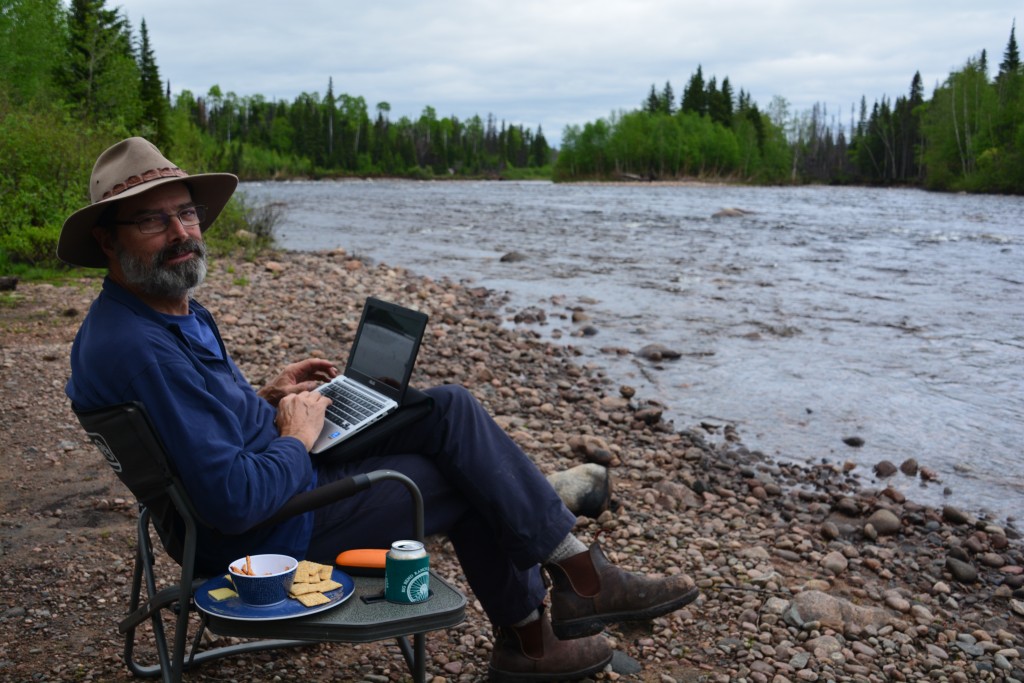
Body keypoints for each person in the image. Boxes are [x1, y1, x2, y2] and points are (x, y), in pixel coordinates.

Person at [60, 137, 698, 682]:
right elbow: (232, 500)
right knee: (462, 474)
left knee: (448, 410)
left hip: (261, 484)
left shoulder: (155, 312)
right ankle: (544, 625)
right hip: (268, 530)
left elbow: (193, 428)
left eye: (186, 214)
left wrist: (266, 398)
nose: (181, 235)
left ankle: (572, 582)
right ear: (107, 240)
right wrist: (298, 437)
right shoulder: (146, 352)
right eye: (153, 221)